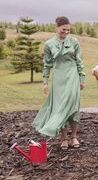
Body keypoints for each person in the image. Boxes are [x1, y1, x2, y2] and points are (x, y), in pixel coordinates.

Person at [33, 16, 85, 150]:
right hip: (59, 79)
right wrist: (45, 82)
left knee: (73, 107)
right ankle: (64, 138)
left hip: (72, 77)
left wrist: (82, 79)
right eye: (63, 29)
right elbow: (47, 64)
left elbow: (79, 61)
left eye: (68, 30)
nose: (66, 32)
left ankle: (74, 137)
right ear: (56, 28)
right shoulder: (49, 44)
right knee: (60, 107)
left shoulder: (74, 42)